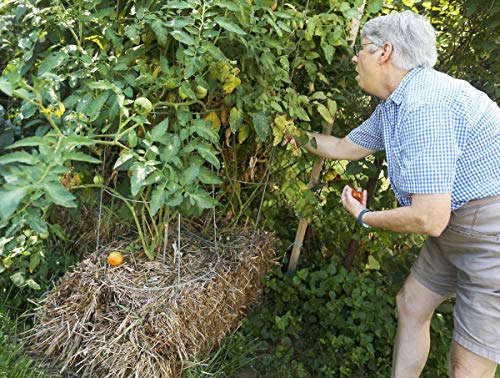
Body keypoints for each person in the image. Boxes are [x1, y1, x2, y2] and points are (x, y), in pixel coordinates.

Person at [300, 10, 500, 378]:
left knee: (467, 367)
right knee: (411, 305)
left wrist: (364, 217)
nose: (356, 58)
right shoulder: (396, 105)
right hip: (455, 224)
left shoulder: (425, 106)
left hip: (490, 232)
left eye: (362, 48)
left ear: (384, 52)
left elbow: (429, 217)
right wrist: (290, 134)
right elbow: (344, 147)